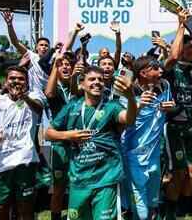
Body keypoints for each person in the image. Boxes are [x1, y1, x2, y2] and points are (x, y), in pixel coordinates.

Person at [46, 66, 137, 220]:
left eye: (100, 80)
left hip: (106, 178)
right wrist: (69, 135)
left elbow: (129, 119)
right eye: (92, 79)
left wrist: (130, 97)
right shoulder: (72, 106)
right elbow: (48, 133)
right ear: (82, 84)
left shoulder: (111, 106)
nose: (97, 83)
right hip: (79, 178)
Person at [162, 9, 192, 219]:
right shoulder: (170, 69)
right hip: (173, 129)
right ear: (182, 49)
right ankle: (173, 208)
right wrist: (181, 25)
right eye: (190, 48)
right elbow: (172, 54)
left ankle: (185, 204)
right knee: (178, 174)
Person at [0, 66, 45, 220]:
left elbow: (39, 109)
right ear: (6, 82)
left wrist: (24, 97)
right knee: (2, 207)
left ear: (27, 82)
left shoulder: (33, 96)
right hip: (2, 163)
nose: (16, 81)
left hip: (25, 161)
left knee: (26, 208)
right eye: (12, 78)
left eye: (21, 79)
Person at [121, 56, 175, 220]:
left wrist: (170, 107)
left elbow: (169, 107)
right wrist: (137, 105)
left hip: (154, 156)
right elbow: (123, 121)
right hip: (133, 157)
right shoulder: (128, 93)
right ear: (143, 73)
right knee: (141, 214)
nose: (161, 71)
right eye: (156, 68)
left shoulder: (165, 85)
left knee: (152, 206)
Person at [44, 54, 74, 220]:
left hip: (78, 142)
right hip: (61, 143)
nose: (65, 67)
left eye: (68, 64)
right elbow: (48, 93)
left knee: (79, 185)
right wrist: (55, 65)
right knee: (59, 188)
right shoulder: (54, 87)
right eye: (61, 65)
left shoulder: (78, 86)